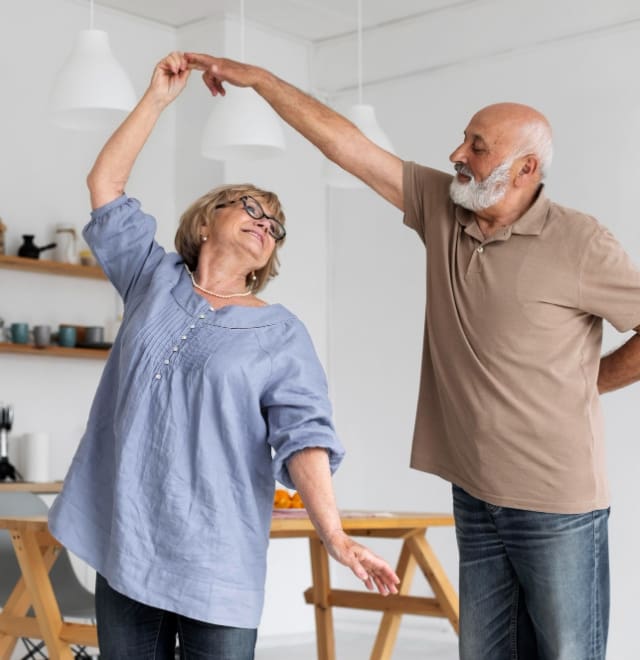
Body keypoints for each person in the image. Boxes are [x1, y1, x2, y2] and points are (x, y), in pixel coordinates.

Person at [183, 52, 640, 660]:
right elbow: (348, 146)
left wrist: (585, 383)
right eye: (464, 140)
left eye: (477, 146)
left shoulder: (581, 243)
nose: (458, 154)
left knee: (567, 653)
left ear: (525, 168)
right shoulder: (444, 208)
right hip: (474, 493)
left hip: (556, 501)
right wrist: (262, 81)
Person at [48, 52, 399, 660]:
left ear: (270, 259)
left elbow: (305, 435)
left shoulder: (281, 334)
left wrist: (335, 534)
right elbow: (105, 186)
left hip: (217, 559)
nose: (266, 224)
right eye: (251, 208)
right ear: (207, 222)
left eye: (276, 227)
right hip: (128, 540)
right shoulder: (152, 280)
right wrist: (157, 99)